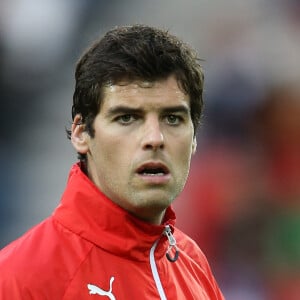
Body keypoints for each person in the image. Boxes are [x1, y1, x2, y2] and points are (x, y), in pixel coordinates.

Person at [0, 24, 224, 299]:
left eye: (172, 118)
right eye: (127, 118)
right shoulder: (19, 278)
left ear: (194, 139)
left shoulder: (193, 263)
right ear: (82, 134)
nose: (155, 138)